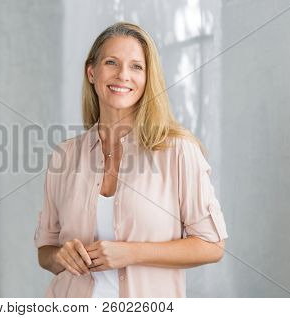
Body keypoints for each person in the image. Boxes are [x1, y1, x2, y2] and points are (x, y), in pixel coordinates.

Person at [34, 21, 228, 298]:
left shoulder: (179, 151)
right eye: (111, 62)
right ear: (92, 72)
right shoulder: (64, 156)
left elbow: (213, 245)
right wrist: (60, 256)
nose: (123, 75)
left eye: (136, 66)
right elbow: (46, 251)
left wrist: (132, 253)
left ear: (149, 78)